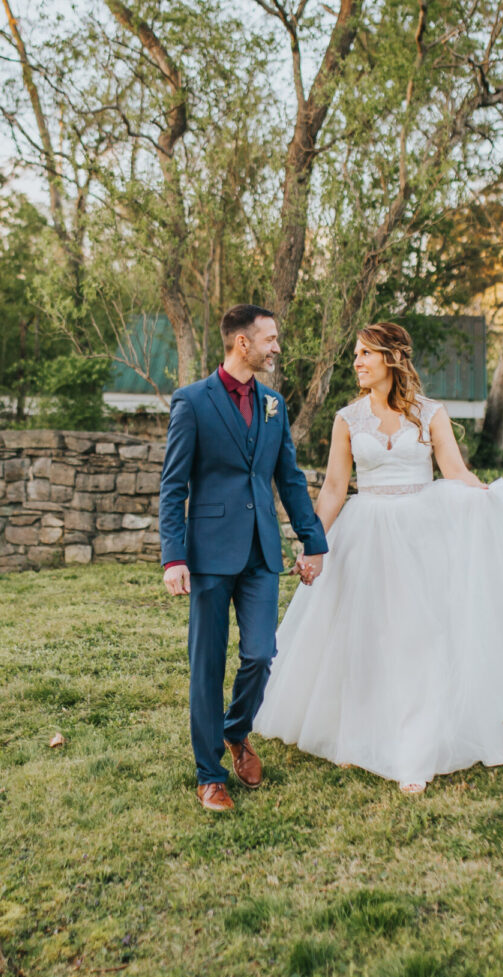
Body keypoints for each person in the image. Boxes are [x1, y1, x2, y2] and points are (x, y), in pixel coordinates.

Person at [254, 321, 503, 793]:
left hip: (422, 534)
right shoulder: (347, 419)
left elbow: (454, 471)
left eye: (366, 354)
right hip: (365, 533)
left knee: (422, 636)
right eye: (355, 354)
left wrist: (489, 499)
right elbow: (332, 489)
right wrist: (314, 544)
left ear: (391, 358)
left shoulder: (431, 414)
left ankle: (418, 743)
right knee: (366, 636)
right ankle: (356, 734)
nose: (357, 363)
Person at [158, 304, 329, 812]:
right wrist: (174, 557)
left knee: (260, 654)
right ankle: (209, 774)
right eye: (271, 338)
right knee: (206, 666)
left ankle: (237, 731)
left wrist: (313, 540)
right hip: (208, 554)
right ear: (242, 343)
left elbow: (290, 481)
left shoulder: (274, 404)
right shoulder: (192, 402)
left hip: (260, 552)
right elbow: (173, 487)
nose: (277, 346)